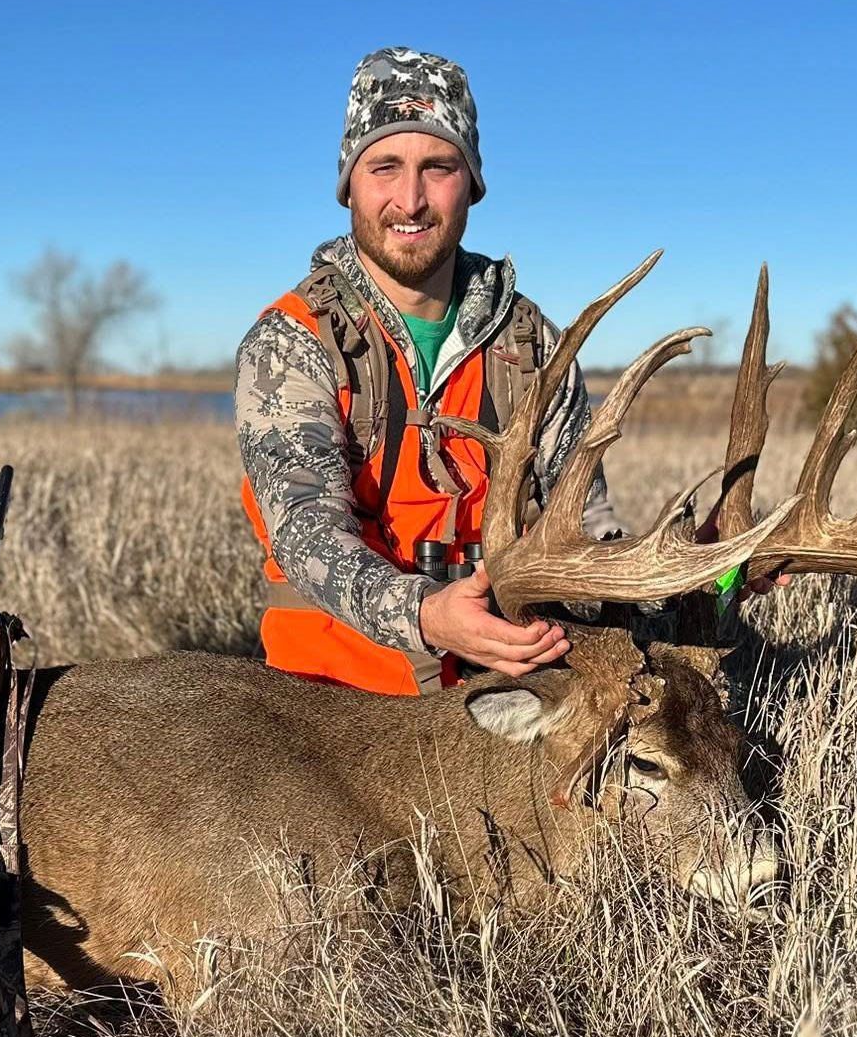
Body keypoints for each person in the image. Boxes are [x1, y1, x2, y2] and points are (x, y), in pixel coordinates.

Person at [236, 46, 623, 696]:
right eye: (385, 167)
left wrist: (686, 571)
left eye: (438, 167)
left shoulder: (533, 342)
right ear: (349, 185)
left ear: (471, 182)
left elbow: (583, 521)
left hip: (506, 686)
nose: (410, 200)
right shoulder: (291, 340)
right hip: (335, 711)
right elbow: (305, 532)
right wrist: (426, 615)